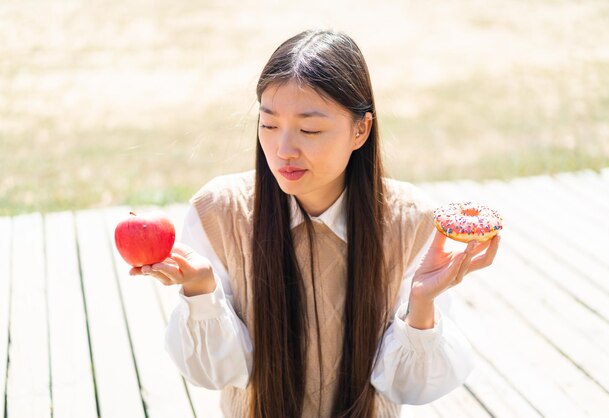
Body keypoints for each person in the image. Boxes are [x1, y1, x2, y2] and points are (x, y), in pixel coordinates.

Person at [131, 29, 500, 418]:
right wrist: (200, 291)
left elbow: (406, 386)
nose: (283, 149)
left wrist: (422, 303)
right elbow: (216, 373)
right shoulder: (219, 212)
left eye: (309, 129)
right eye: (269, 125)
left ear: (361, 130)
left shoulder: (413, 221)